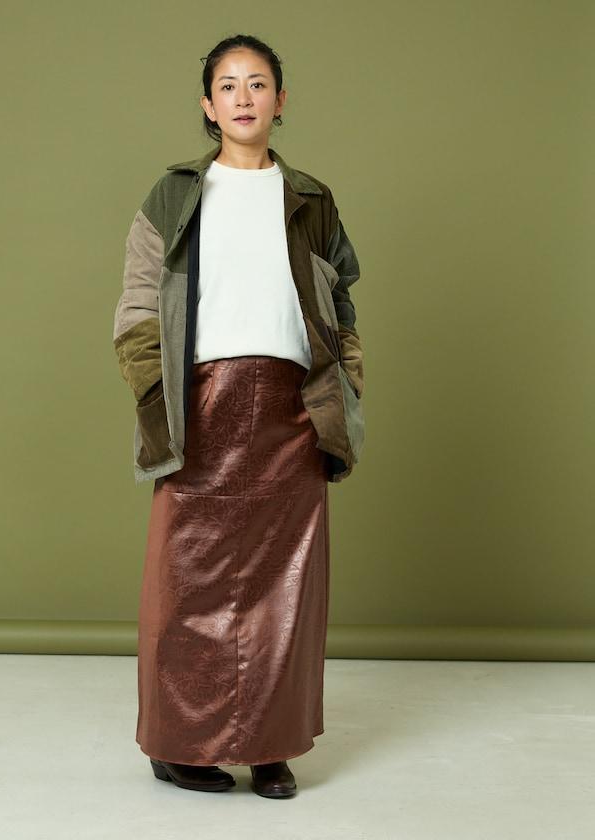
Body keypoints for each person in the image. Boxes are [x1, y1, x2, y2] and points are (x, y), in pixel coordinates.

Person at [113, 34, 364, 798]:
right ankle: (179, 744)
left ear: (280, 101)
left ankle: (271, 746)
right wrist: (156, 394)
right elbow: (138, 305)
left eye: (258, 83)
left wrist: (344, 390)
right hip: (200, 404)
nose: (244, 96)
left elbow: (341, 301)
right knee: (185, 582)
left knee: (285, 586)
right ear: (208, 104)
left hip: (292, 406)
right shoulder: (173, 195)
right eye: (228, 85)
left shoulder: (311, 198)